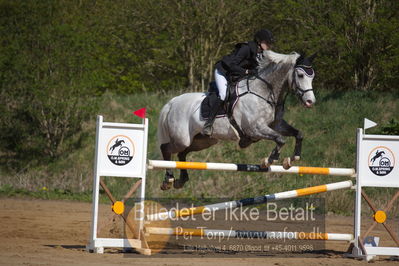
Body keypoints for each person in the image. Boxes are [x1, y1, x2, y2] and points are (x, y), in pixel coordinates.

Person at [202, 29, 275, 136]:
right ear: (259, 41)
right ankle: (208, 124)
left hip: (235, 75)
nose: (269, 45)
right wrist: (247, 71)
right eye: (267, 42)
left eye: (269, 43)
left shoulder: (259, 53)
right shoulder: (245, 48)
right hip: (223, 71)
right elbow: (232, 65)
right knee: (223, 94)